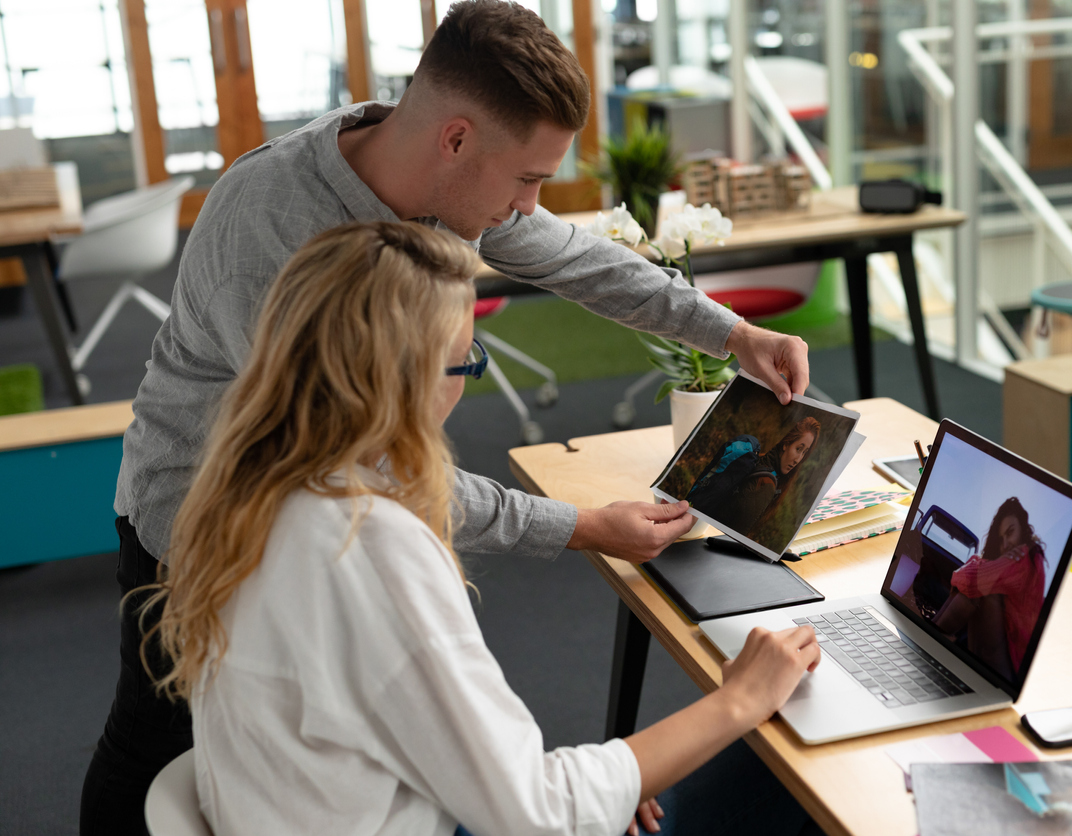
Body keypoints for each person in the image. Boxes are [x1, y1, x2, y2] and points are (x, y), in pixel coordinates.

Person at [80, 2, 811, 831]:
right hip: (199, 515)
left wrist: (732, 330)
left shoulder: (439, 183)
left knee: (313, 744)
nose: (531, 206)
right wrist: (580, 527)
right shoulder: (274, 234)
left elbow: (572, 259)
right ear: (457, 139)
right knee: (155, 741)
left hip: (306, 520)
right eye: (528, 180)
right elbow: (378, 478)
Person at [141, 221, 822, 836]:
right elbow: (540, 815)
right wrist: (739, 700)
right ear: (399, 382)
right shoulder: (368, 543)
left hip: (347, 805)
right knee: (792, 770)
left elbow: (441, 747)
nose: (464, 385)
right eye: (466, 362)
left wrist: (609, 774)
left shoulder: (246, 493)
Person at [932, 497, 1046, 680]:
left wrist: (975, 569)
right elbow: (963, 577)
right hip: (1005, 651)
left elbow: (964, 579)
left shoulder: (1024, 557)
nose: (1006, 544)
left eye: (1010, 532)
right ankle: (932, 634)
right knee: (981, 586)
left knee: (981, 591)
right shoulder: (1019, 558)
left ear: (1023, 529)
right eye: (1001, 538)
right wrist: (977, 568)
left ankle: (932, 639)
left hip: (1010, 667)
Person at [687, 418, 821, 535]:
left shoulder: (760, 460)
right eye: (798, 449)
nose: (798, 459)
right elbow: (736, 536)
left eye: (804, 452)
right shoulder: (766, 485)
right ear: (786, 444)